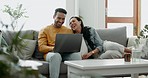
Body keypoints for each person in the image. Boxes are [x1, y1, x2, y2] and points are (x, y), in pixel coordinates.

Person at [38, 8, 82, 78]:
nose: (61, 21)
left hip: (65, 53)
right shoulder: (44, 30)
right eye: (58, 18)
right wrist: (54, 48)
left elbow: (72, 44)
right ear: (53, 17)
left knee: (76, 55)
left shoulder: (68, 30)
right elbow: (41, 47)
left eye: (63, 19)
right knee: (56, 55)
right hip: (51, 54)